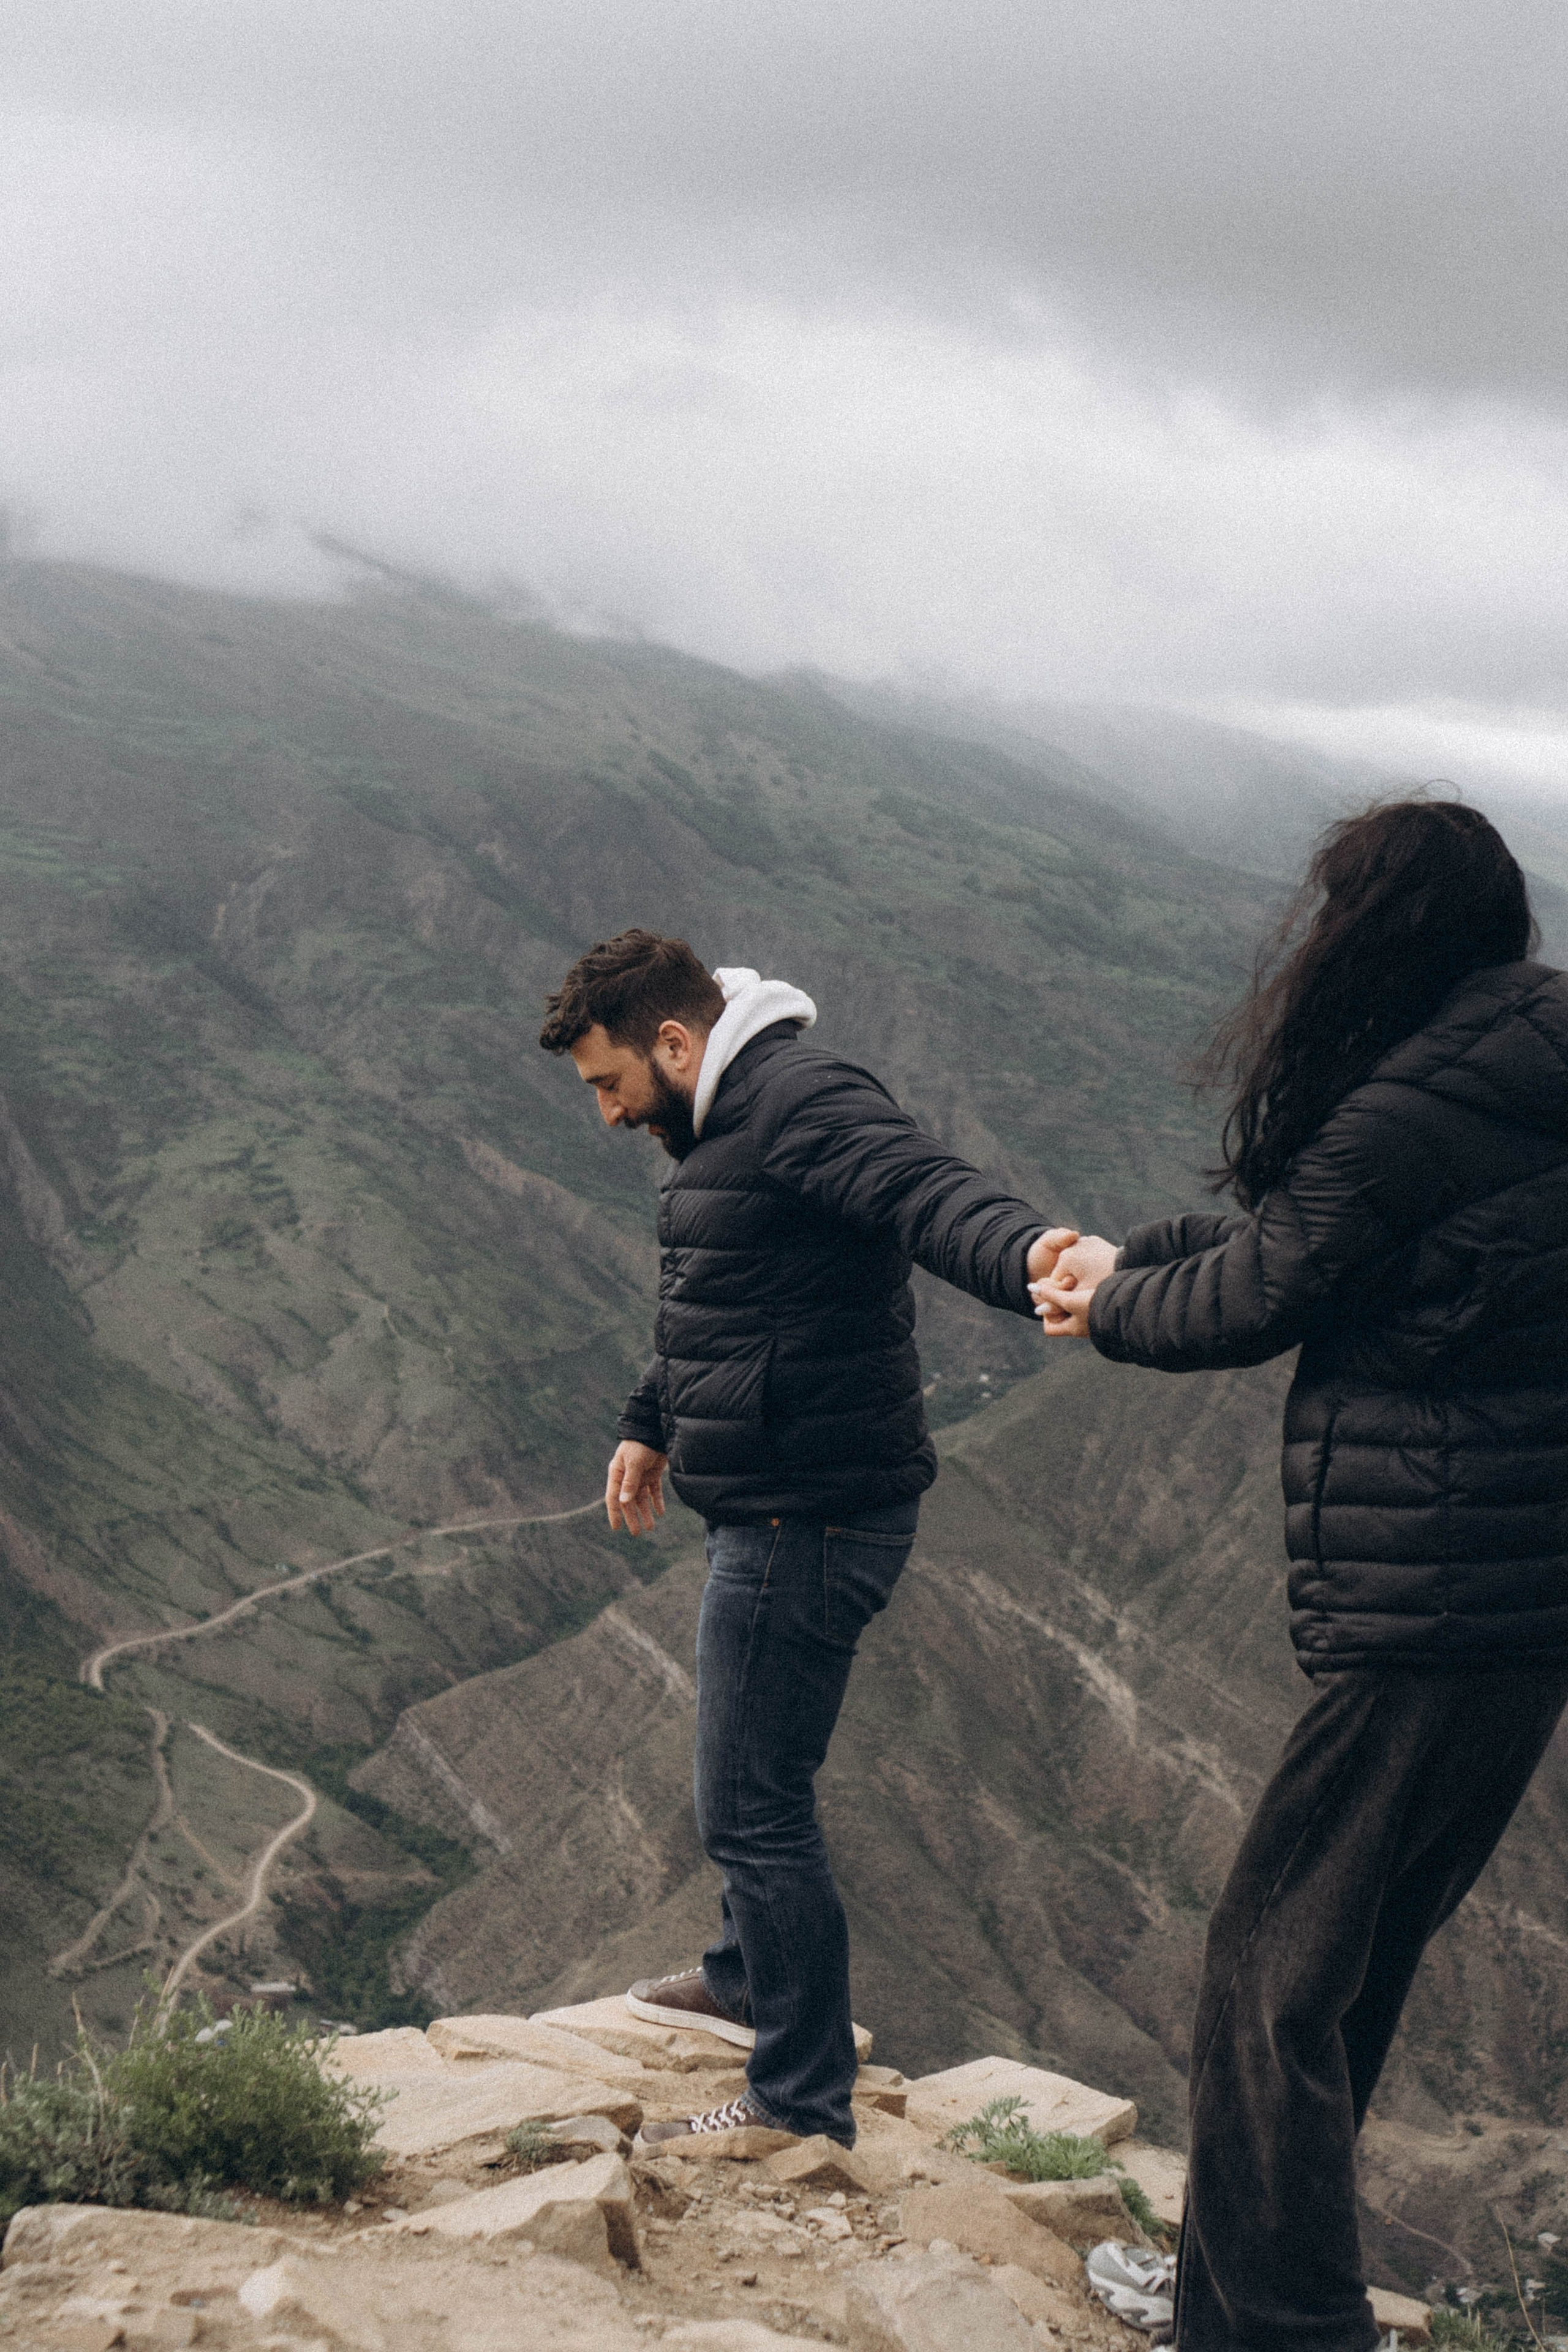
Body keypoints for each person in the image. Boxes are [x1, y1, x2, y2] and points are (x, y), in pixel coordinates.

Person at [1031, 801, 1568, 2352]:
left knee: (1266, 1972)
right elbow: (1339, 1248)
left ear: (1382, 925)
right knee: (1346, 1967)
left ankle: (1275, 2327)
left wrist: (1108, 1302)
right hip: (1522, 1605)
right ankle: (1232, 2292)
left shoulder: (1409, 1107)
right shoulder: (1523, 1064)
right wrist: (1135, 1257)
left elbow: (1262, 1294)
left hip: (1430, 1599)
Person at [539, 928, 1063, 2150]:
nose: (608, 1115)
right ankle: (744, 1975)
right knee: (749, 1784)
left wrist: (1034, 1257)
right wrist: (648, 1419)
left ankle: (795, 2099)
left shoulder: (798, 1102)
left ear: (674, 1042)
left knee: (751, 1805)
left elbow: (928, 1193)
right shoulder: (723, 1120)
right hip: (778, 1499)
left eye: (609, 1084)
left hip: (808, 1516)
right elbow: (723, 1296)